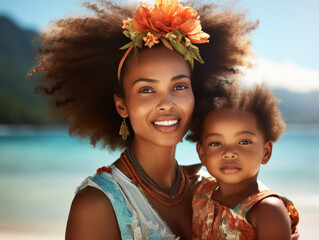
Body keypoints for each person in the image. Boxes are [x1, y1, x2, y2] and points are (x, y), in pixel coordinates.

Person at [28, 0, 260, 239]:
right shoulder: (97, 205)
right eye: (146, 90)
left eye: (179, 86)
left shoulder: (214, 192)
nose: (167, 103)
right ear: (122, 105)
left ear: (195, 95)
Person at [187, 81, 299, 240]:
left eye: (244, 142)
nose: (229, 153)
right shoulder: (199, 191)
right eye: (216, 143)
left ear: (266, 152)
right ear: (202, 154)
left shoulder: (267, 210)